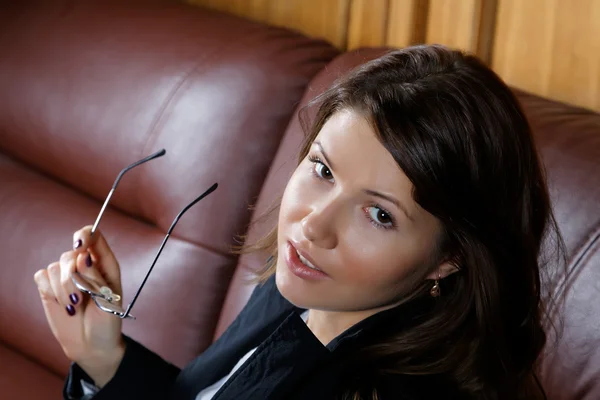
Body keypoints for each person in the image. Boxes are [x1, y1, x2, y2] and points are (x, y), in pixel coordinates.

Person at [34, 44, 561, 400]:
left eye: (379, 215)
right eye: (323, 169)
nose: (312, 226)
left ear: (451, 258)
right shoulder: (309, 288)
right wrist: (103, 355)